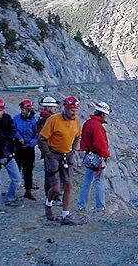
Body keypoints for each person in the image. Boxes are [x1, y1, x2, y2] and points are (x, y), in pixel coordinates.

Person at [39, 96, 82, 225]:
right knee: (56, 188)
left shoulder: (76, 121)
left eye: (75, 110)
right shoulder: (53, 120)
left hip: (66, 155)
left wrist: (72, 151)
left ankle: (65, 216)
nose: (74, 113)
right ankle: (48, 203)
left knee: (68, 185)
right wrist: (48, 155)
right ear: (65, 108)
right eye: (71, 110)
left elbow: (77, 137)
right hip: (53, 154)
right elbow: (42, 139)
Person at [77, 102, 111, 212]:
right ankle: (100, 207)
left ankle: (82, 205)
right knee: (99, 181)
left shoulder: (88, 123)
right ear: (102, 114)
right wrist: (106, 155)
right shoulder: (97, 126)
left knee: (87, 181)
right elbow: (100, 144)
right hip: (97, 157)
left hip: (88, 155)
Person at [37, 96, 61, 201]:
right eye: (53, 107)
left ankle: (52, 194)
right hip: (50, 149)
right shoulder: (47, 119)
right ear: (49, 107)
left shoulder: (44, 118)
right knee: (51, 172)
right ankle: (51, 195)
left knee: (51, 172)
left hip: (49, 149)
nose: (55, 109)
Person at [14, 99, 38, 200]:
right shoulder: (16, 119)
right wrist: (19, 137)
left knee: (28, 169)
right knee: (16, 169)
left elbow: (38, 134)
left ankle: (28, 190)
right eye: (21, 109)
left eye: (24, 109)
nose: (22, 111)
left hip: (29, 148)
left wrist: (31, 143)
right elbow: (13, 129)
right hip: (17, 146)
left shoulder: (34, 121)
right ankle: (13, 190)